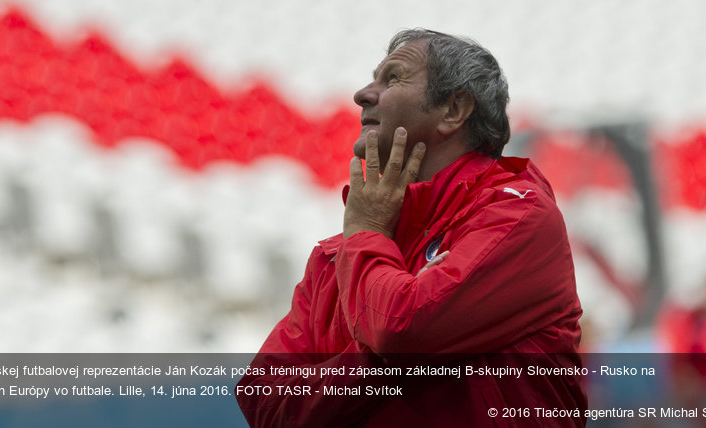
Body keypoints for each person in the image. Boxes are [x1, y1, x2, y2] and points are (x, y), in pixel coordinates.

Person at [237, 29, 587, 427]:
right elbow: (262, 398)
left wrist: (379, 343)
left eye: (393, 78)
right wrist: (391, 356)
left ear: (454, 109)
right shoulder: (339, 253)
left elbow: (398, 331)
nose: (363, 94)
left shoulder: (518, 218)